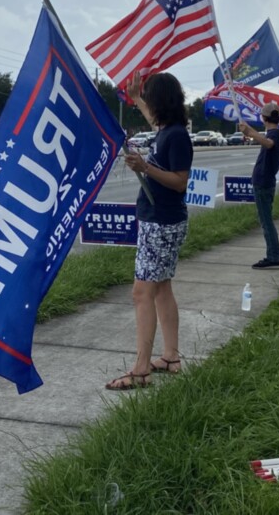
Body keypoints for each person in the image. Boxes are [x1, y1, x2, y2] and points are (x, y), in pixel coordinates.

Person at [108, 71, 193, 391]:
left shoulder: (176, 137)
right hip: (161, 221)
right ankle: (170, 356)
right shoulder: (169, 130)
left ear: (163, 102)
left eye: (151, 100)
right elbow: (153, 119)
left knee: (141, 293)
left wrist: (146, 168)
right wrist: (136, 98)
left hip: (161, 223)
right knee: (161, 290)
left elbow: (180, 182)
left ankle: (141, 368)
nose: (150, 108)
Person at [239, 102, 279, 270]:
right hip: (263, 181)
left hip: (263, 182)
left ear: (264, 118)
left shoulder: (275, 134)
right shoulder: (272, 133)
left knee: (266, 222)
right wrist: (250, 131)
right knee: (266, 221)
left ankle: (273, 256)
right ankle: (275, 254)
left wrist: (250, 132)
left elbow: (269, 143)